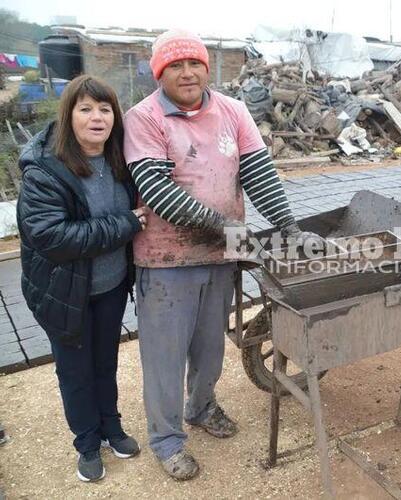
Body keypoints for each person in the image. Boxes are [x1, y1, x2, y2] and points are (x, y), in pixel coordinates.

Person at [123, 29, 316, 480]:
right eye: (175, 65)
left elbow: (259, 174)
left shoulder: (233, 111)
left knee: (210, 346)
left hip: (220, 254)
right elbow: (156, 190)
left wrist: (288, 226)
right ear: (160, 74)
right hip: (165, 258)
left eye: (194, 63)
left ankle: (202, 406)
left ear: (206, 68)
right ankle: (167, 439)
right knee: (165, 355)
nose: (186, 72)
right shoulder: (144, 117)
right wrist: (227, 226)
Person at [17, 75, 146, 482]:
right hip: (63, 292)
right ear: (68, 115)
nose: (97, 118)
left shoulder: (119, 161)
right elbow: (51, 236)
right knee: (75, 370)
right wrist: (125, 224)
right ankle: (87, 442)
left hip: (110, 286)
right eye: (86, 108)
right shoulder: (45, 171)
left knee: (105, 363)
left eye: (105, 109)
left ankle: (111, 426)